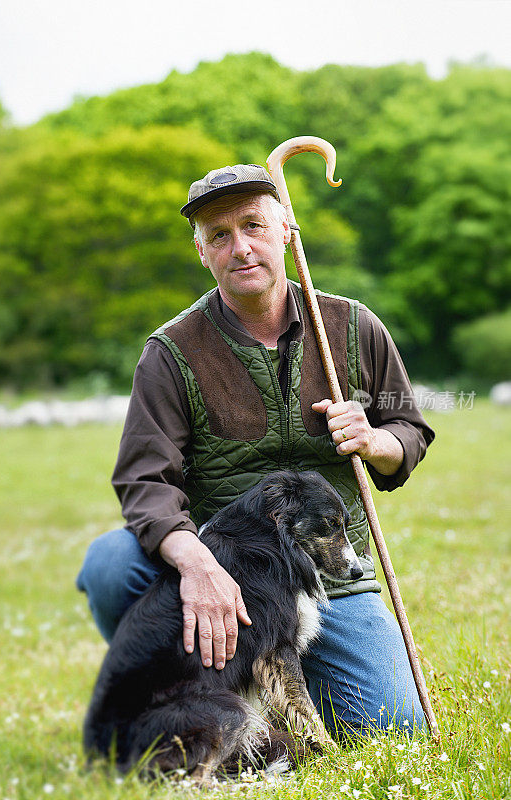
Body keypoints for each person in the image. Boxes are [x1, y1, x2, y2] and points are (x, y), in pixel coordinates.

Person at [77, 163, 435, 739]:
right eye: (220, 235)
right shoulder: (170, 351)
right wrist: (197, 566)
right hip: (223, 562)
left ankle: (286, 681)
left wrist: (375, 440)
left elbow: (410, 431)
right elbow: (146, 482)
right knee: (111, 566)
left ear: (287, 231)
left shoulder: (351, 326)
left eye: (254, 226)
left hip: (327, 578)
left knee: (395, 727)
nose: (241, 247)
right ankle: (183, 697)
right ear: (202, 252)